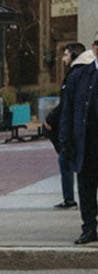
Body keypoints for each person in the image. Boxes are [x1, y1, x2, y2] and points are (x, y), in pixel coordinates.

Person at [60, 29, 98, 245]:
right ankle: (89, 227)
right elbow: (67, 111)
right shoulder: (79, 76)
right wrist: (66, 142)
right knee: (86, 189)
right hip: (87, 142)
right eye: (97, 43)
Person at [45, 43, 85, 210]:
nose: (63, 59)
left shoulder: (75, 75)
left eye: (66, 55)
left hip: (72, 128)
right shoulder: (82, 73)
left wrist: (50, 119)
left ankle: (69, 199)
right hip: (74, 126)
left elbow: (66, 104)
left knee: (65, 160)